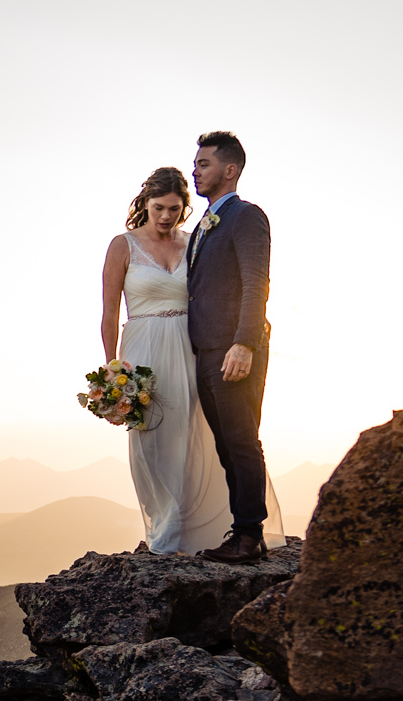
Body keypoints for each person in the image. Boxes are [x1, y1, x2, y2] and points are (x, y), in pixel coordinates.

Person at [99, 166, 282, 554]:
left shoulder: (195, 240)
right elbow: (109, 312)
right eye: (159, 207)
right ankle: (164, 529)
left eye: (174, 208)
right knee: (151, 441)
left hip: (190, 344)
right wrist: (111, 366)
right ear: (144, 204)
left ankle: (207, 531)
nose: (166, 216)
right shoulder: (122, 245)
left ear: (184, 208)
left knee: (196, 436)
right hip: (143, 349)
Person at [185, 130, 283, 562]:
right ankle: (244, 531)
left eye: (203, 164)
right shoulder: (202, 228)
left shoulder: (247, 216)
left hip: (234, 350)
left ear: (230, 170)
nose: (195, 171)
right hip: (205, 351)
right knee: (226, 443)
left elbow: (255, 283)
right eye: (195, 163)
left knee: (242, 440)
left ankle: (248, 535)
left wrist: (243, 344)